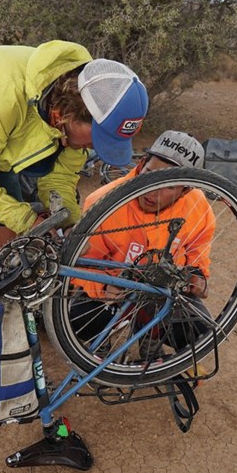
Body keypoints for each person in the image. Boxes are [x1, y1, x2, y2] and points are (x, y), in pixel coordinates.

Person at [0, 40, 149, 318]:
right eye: (96, 138)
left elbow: (60, 177)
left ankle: (4, 339)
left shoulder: (76, 103)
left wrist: (68, 223)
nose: (91, 148)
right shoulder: (1, 98)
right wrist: (24, 217)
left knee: (13, 261)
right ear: (70, 116)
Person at [68, 130, 216, 358]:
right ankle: (102, 339)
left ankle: (152, 334)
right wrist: (102, 287)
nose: (152, 190)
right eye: (149, 173)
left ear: (186, 189)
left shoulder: (197, 205)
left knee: (199, 332)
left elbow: (199, 247)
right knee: (80, 319)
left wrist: (198, 274)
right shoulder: (102, 203)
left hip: (163, 290)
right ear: (142, 162)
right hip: (114, 288)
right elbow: (77, 264)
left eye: (168, 185)